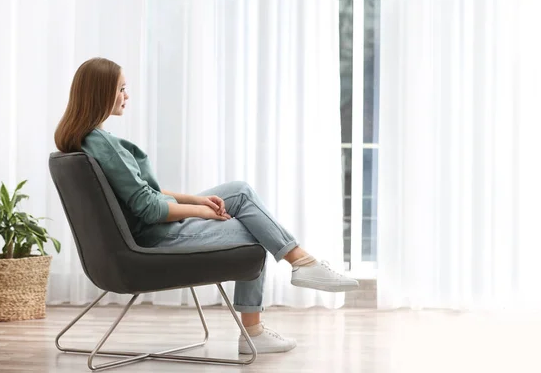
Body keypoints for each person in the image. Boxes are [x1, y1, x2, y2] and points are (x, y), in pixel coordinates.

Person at [54, 57, 359, 355]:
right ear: (101, 92)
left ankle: (302, 263)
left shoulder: (87, 140)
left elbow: (143, 192)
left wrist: (195, 199)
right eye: (121, 88)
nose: (126, 95)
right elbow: (148, 208)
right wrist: (202, 212)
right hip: (155, 238)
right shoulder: (103, 145)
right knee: (256, 231)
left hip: (151, 231)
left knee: (239, 191)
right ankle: (263, 319)